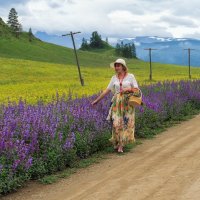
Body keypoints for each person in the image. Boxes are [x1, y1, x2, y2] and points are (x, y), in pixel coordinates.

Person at [91, 58, 139, 153]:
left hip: (127, 103)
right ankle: (117, 142)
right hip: (116, 103)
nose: (116, 67)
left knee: (125, 124)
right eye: (115, 66)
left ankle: (121, 145)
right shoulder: (114, 78)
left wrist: (127, 89)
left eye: (118, 65)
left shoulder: (130, 76)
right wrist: (97, 100)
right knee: (116, 123)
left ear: (123, 67)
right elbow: (107, 90)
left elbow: (136, 89)